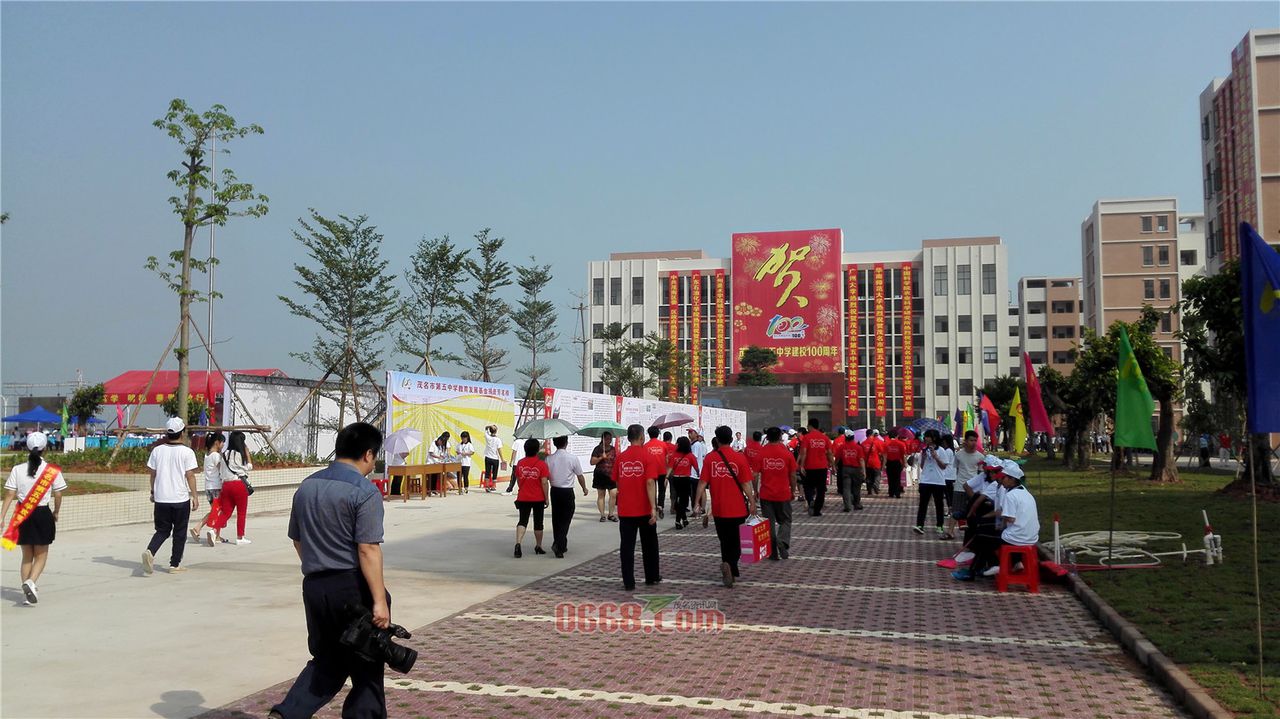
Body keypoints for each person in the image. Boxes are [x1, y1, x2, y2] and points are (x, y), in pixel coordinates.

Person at [270, 422, 390, 719]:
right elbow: (368, 549)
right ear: (368, 454)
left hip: (315, 586)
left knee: (327, 661)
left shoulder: (307, 486)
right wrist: (379, 600)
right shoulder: (364, 492)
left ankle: (287, 714)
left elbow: (297, 540)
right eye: (374, 459)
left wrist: (318, 566)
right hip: (353, 587)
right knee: (367, 665)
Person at [2, 432, 67, 605]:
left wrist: (1, 517)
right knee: (41, 555)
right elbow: (58, 494)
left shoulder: (17, 469)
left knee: (26, 556)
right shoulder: (52, 470)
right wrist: (56, 511)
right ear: (45, 448)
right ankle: (31, 582)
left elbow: (9, 494)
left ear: (27, 448)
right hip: (42, 513)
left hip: (22, 514)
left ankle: (27, 595)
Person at [696, 426, 757, 587]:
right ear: (731, 439)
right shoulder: (739, 458)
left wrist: (696, 502)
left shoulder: (710, 458)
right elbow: (745, 483)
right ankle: (730, 564)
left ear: (717, 439)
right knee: (736, 541)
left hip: (719, 508)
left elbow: (702, 483)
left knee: (724, 540)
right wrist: (752, 501)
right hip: (738, 508)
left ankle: (728, 566)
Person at [963, 460, 1039, 579]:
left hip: (1016, 538)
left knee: (985, 539)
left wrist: (1001, 518)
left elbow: (1010, 519)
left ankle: (986, 569)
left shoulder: (1010, 495)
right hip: (1032, 538)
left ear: (1011, 479)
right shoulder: (1026, 493)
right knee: (991, 534)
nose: (1001, 481)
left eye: (1003, 478)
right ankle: (1014, 563)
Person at [142, 418, 199, 575]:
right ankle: (174, 565)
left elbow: (153, 474)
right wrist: (195, 496)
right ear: (182, 432)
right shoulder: (187, 452)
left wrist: (153, 492)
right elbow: (190, 475)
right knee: (180, 532)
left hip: (161, 499)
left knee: (162, 530)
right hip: (180, 499)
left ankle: (150, 551)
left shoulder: (157, 451)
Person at [612, 424, 660, 590]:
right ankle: (652, 576)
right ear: (641, 437)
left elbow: (617, 480)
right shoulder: (648, 456)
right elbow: (649, 482)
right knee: (649, 544)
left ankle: (628, 581)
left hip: (626, 509)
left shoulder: (620, 457)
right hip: (644, 509)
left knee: (626, 546)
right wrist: (653, 507)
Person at [756, 427, 798, 560]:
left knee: (769, 523)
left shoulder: (761, 453)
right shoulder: (787, 453)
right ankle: (782, 541)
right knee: (785, 520)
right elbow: (792, 475)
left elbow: (755, 475)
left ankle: (773, 552)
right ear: (780, 436)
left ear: (767, 437)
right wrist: (793, 490)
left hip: (766, 494)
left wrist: (755, 491)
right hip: (783, 493)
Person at [545, 435, 587, 558]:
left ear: (554, 443)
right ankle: (559, 544)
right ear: (566, 443)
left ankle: (560, 543)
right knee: (566, 518)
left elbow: (546, 477)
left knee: (556, 518)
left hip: (555, 491)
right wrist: (584, 488)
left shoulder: (549, 459)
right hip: (567, 491)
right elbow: (580, 475)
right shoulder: (572, 458)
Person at [191, 432, 234, 546]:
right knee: (220, 511)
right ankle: (205, 529)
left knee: (215, 511)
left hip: (209, 488)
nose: (223, 445)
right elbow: (222, 471)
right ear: (217, 443)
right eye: (222, 443)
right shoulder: (216, 456)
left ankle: (215, 535)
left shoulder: (207, 455)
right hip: (217, 488)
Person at [511, 438, 550, 558]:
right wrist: (546, 498)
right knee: (538, 522)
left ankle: (518, 543)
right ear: (537, 450)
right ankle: (538, 546)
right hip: (538, 498)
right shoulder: (542, 464)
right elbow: (544, 482)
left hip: (523, 497)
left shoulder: (520, 463)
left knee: (522, 521)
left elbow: (518, 479)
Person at [943, 431, 984, 540]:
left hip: (973, 489)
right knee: (956, 510)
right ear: (965, 441)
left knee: (972, 511)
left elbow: (980, 474)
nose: (973, 443)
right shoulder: (959, 454)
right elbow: (956, 469)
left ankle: (972, 533)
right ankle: (950, 532)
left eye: (975, 440)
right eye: (971, 440)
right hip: (960, 486)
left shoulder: (980, 457)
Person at [215, 430, 254, 545]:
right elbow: (249, 467)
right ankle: (240, 537)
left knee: (226, 511)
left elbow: (221, 471)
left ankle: (214, 530)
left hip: (226, 485)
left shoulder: (225, 454)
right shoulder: (239, 454)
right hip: (238, 485)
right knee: (241, 512)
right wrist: (247, 453)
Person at [913, 429, 951, 536]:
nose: (925, 438)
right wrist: (924, 456)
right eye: (925, 436)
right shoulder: (924, 450)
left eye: (927, 436)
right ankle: (920, 525)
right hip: (925, 480)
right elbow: (921, 466)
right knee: (923, 504)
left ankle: (939, 525)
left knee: (939, 504)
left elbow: (943, 466)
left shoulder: (941, 450)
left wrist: (936, 456)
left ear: (934, 438)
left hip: (938, 481)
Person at [797, 418, 833, 517]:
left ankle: (810, 500)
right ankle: (817, 510)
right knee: (821, 490)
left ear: (810, 426)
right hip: (822, 467)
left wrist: (802, 465)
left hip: (809, 467)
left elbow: (804, 452)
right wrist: (833, 465)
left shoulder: (807, 437)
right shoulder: (825, 438)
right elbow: (830, 453)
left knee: (808, 487)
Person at [666, 437, 700, 529]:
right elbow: (696, 467)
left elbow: (670, 467)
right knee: (684, 501)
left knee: (678, 499)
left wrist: (666, 477)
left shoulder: (674, 455)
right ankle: (677, 521)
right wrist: (698, 475)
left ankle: (684, 519)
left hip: (675, 479)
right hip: (685, 480)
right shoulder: (690, 455)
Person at [643, 426, 670, 519]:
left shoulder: (645, 446)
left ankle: (653, 507)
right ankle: (660, 506)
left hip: (650, 471)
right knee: (662, 489)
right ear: (658, 434)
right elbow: (667, 458)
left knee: (652, 490)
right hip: (662, 470)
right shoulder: (663, 445)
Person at [590, 432, 618, 522]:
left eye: (610, 439)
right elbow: (592, 462)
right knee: (601, 495)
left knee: (613, 494)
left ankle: (611, 514)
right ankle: (602, 515)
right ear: (602, 439)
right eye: (607, 439)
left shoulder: (613, 449)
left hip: (611, 474)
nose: (609, 441)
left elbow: (616, 461)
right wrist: (601, 457)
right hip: (600, 474)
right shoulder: (597, 449)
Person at [837, 429, 866, 511]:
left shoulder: (841, 447)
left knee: (846, 488)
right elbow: (861, 460)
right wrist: (863, 471)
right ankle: (857, 504)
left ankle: (847, 506)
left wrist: (834, 465)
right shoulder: (858, 447)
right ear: (853, 437)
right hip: (856, 469)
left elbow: (837, 458)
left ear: (845, 438)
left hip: (846, 469)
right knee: (856, 487)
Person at [883, 432, 907, 498]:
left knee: (890, 479)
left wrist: (883, 465)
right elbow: (903, 455)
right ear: (896, 436)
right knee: (897, 478)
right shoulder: (901, 444)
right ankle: (897, 493)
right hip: (897, 463)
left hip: (889, 463)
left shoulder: (886, 444)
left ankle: (891, 493)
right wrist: (904, 464)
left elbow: (885, 456)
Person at [482, 425, 504, 492]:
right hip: (495, 458)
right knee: (495, 472)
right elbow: (499, 450)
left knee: (487, 472)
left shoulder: (487, 437)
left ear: (490, 430)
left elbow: (485, 429)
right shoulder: (498, 440)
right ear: (496, 431)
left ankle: (487, 486)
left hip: (488, 457)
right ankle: (494, 486)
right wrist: (502, 459)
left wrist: (488, 427)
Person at [862, 430, 884, 495]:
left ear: (866, 435)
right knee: (877, 475)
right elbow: (882, 453)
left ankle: (869, 490)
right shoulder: (877, 442)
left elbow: (861, 455)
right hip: (876, 462)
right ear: (872, 434)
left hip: (867, 463)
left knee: (869, 476)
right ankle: (875, 485)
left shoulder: (863, 443)